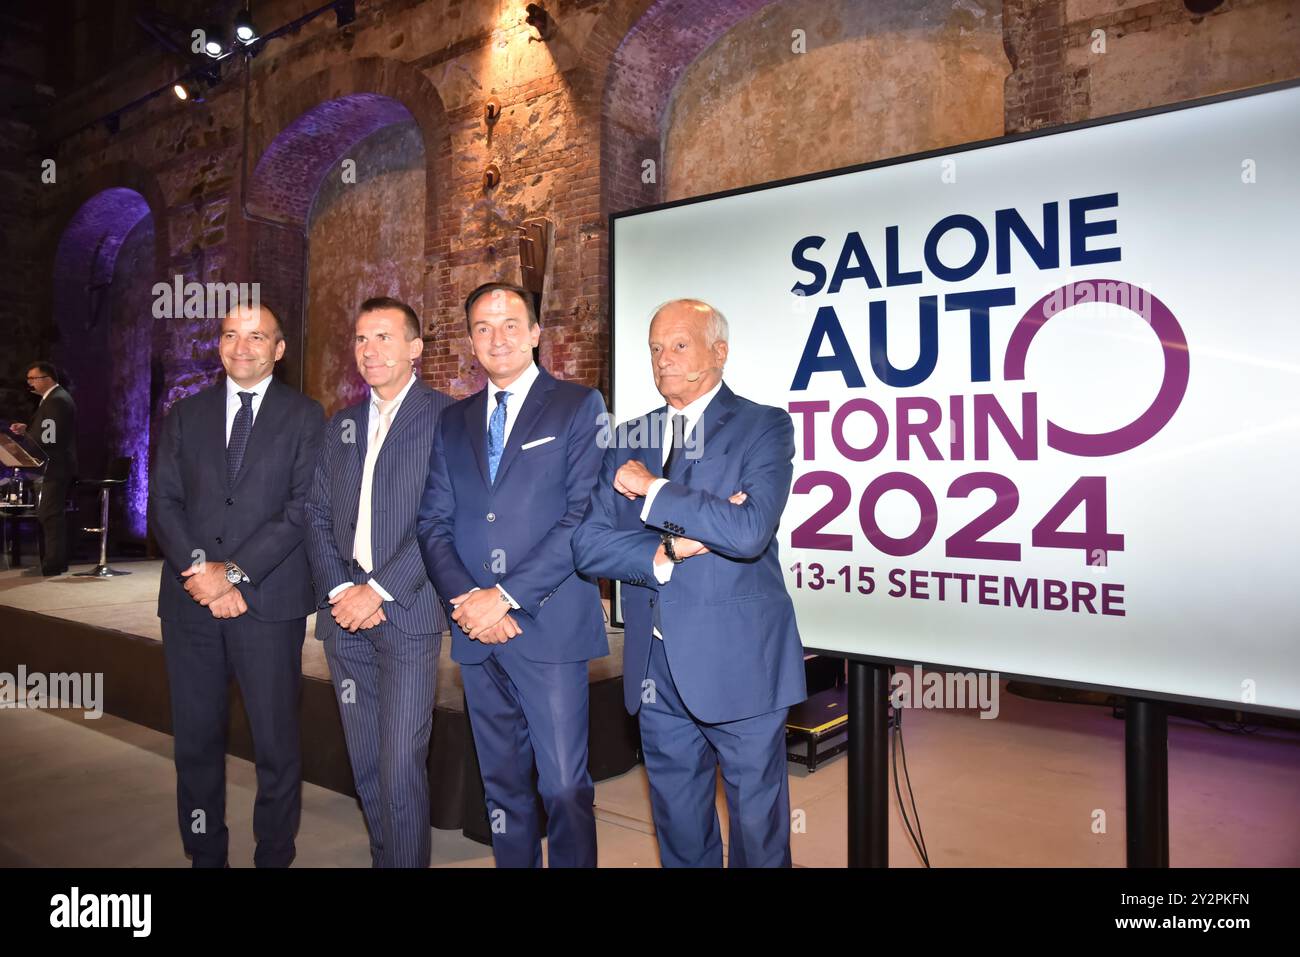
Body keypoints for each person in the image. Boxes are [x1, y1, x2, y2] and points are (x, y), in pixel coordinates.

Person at [572, 298, 807, 868]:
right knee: (680, 829)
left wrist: (653, 491)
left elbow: (749, 531)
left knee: (758, 829)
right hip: (656, 671)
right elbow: (588, 545)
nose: (663, 359)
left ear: (719, 352)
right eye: (655, 348)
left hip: (742, 666)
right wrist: (673, 546)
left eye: (679, 345)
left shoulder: (763, 425)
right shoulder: (628, 436)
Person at [417, 282, 608, 867]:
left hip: (547, 627)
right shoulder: (455, 420)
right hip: (475, 633)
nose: (496, 337)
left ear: (534, 333)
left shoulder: (579, 406)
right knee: (502, 789)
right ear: (471, 341)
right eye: (482, 327)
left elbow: (584, 516)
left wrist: (505, 597)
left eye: (509, 324)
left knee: (565, 788)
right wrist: (468, 602)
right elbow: (432, 523)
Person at [148, 303, 325, 868]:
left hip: (267, 604)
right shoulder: (185, 414)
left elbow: (301, 509)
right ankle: (205, 855)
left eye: (256, 336)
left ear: (278, 349)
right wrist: (204, 573)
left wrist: (236, 573)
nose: (241, 346)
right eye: (230, 335)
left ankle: (274, 855)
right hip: (190, 604)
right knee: (196, 744)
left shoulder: (307, 416)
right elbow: (164, 504)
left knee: (275, 745)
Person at [305, 297, 454, 868]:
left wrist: (379, 589)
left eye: (385, 337)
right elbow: (316, 514)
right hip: (345, 617)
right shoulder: (340, 423)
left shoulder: (447, 417)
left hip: (407, 615)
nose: (370, 351)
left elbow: (442, 521)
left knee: (399, 765)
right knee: (366, 764)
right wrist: (343, 591)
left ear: (416, 348)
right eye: (362, 339)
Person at [10, 361, 78, 575]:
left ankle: (53, 564)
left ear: (47, 378)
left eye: (33, 378)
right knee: (49, 514)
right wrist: (27, 430)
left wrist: (27, 441)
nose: (29, 383)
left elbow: (50, 438)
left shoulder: (57, 400)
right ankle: (54, 561)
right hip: (52, 465)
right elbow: (46, 431)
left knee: (50, 514)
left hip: (54, 466)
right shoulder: (51, 400)